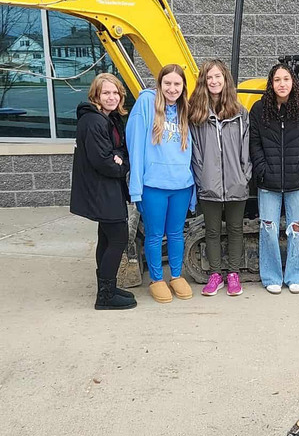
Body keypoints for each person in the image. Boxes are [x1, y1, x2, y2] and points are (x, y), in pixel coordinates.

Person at [126, 64, 196, 304]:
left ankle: (176, 276)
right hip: (154, 185)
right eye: (167, 83)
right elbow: (135, 146)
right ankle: (157, 279)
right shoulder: (146, 103)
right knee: (155, 235)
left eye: (177, 84)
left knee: (176, 233)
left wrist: (193, 189)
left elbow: (191, 153)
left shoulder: (185, 109)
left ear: (183, 87)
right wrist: (136, 189)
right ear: (159, 84)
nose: (172, 89)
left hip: (181, 186)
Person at [249, 64, 299, 294]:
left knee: (297, 228)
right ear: (271, 83)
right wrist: (261, 169)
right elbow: (254, 143)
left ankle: (295, 275)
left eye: (286, 79)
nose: (282, 84)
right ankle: (271, 276)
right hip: (268, 182)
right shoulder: (259, 109)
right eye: (277, 79)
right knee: (268, 228)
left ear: (293, 82)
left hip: (296, 181)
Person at [70, 72, 137, 310]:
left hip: (107, 188)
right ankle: (105, 297)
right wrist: (121, 164)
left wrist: (119, 157)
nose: (111, 97)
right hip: (101, 189)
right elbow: (103, 162)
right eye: (105, 93)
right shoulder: (93, 121)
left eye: (115, 92)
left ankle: (107, 287)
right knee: (118, 239)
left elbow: (121, 151)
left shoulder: (110, 118)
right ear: (96, 95)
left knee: (106, 238)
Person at [189, 59, 252, 297]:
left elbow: (246, 148)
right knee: (212, 231)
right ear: (204, 82)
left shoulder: (239, 113)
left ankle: (233, 274)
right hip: (209, 184)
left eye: (218, 76)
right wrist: (202, 178)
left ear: (225, 80)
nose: (214, 81)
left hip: (236, 182)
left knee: (235, 229)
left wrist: (244, 176)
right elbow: (195, 151)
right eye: (209, 77)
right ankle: (215, 275)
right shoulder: (197, 114)